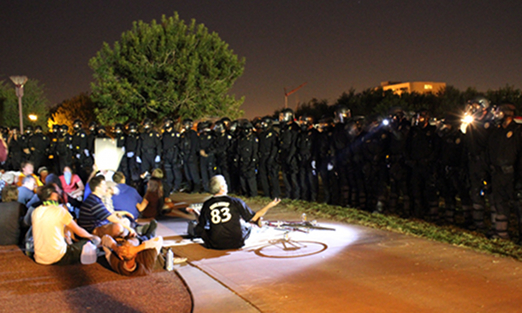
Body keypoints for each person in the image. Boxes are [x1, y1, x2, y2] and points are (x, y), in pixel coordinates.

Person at [193, 175, 280, 250]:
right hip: (236, 242)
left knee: (196, 227)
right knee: (246, 226)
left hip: (215, 244)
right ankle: (254, 225)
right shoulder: (236, 201)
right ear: (222, 187)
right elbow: (254, 217)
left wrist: (195, 212)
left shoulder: (207, 204)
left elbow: (201, 225)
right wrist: (270, 205)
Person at [32, 184, 100, 265]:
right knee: (92, 243)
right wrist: (93, 237)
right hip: (58, 257)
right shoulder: (60, 211)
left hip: (39, 258)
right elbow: (79, 231)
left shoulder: (35, 211)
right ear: (53, 195)